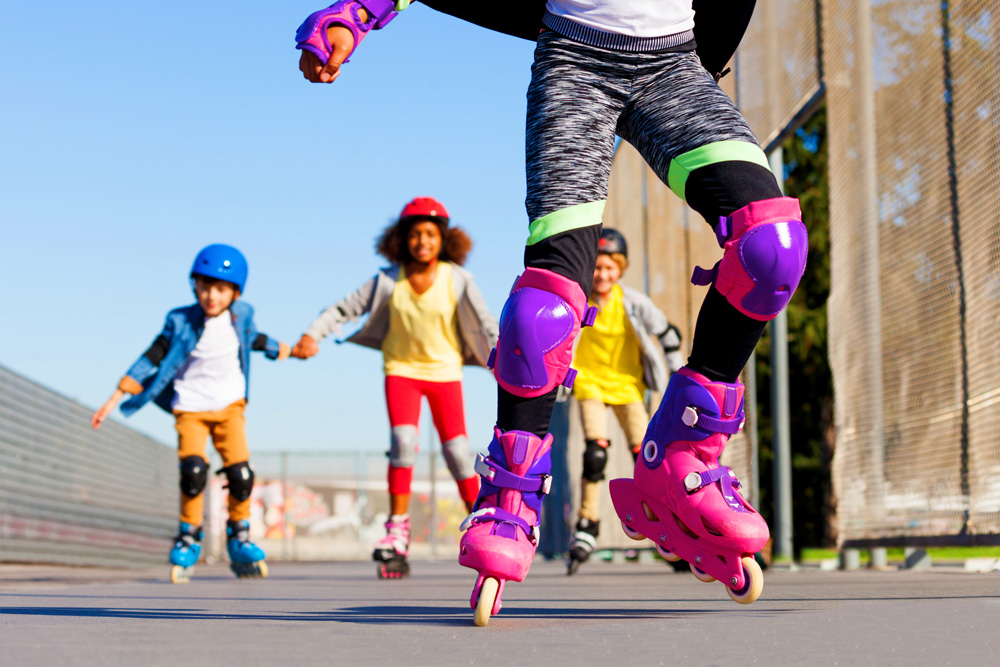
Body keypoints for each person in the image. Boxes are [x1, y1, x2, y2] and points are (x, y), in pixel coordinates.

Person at [294, 0, 807, 622]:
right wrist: (358, 12)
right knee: (544, 310)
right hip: (576, 64)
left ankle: (682, 453)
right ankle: (510, 492)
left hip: (677, 67)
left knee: (772, 247)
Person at [289, 197, 498, 579]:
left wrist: (510, 361)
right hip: (401, 370)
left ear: (444, 240)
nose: (422, 241)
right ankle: (397, 530)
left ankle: (482, 523)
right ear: (401, 240)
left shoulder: (458, 279)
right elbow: (340, 310)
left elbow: (487, 326)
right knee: (403, 442)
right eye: (415, 234)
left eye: (431, 235)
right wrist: (310, 335)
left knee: (457, 451)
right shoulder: (387, 280)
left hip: (445, 372)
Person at [92, 244, 290, 583]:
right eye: (204, 286)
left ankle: (239, 535)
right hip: (190, 407)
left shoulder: (243, 315)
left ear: (235, 292)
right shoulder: (180, 319)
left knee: (241, 473)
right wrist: (120, 391)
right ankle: (188, 536)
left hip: (230, 406)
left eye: (221, 289)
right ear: (194, 285)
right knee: (194, 470)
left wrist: (281, 349)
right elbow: (154, 352)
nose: (211, 295)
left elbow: (253, 338)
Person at [566, 228, 683, 575]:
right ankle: (588, 523)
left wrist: (678, 377)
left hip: (628, 386)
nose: (601, 275)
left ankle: (669, 524)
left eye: (609, 269)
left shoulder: (632, 301)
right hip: (588, 384)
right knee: (595, 452)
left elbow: (667, 334)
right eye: (596, 268)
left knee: (647, 458)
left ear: (620, 269)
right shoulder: (577, 301)